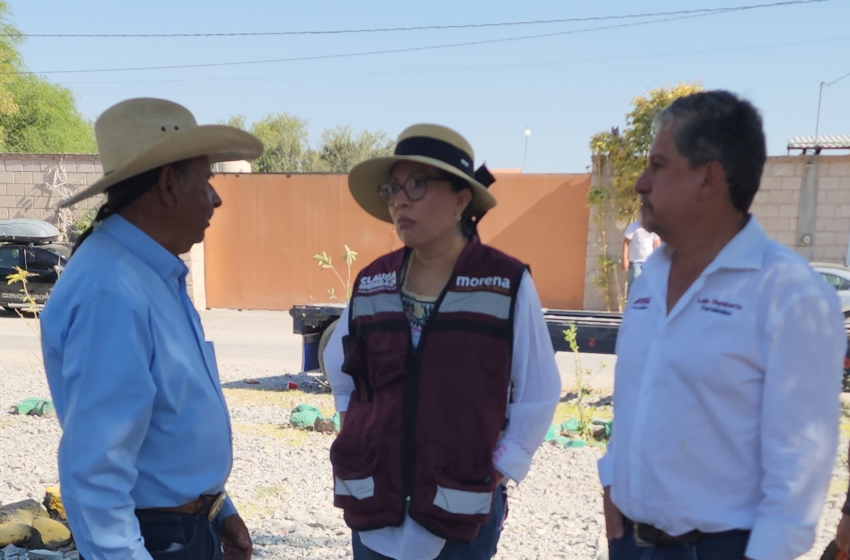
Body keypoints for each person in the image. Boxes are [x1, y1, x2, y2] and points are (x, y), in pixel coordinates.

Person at [598, 90, 845, 560]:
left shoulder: (788, 294)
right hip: (630, 543)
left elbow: (800, 469)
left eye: (658, 165)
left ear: (708, 178)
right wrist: (612, 481)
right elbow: (637, 394)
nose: (640, 183)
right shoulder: (650, 278)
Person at [322, 124, 561, 560]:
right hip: (375, 513)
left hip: (459, 521)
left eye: (417, 184)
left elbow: (538, 392)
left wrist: (496, 472)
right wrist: (357, 434)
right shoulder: (373, 282)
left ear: (461, 199)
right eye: (393, 188)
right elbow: (342, 370)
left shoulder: (505, 283)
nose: (399, 200)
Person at [40, 98, 263, 560]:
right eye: (206, 180)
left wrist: (217, 509)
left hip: (178, 529)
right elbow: (96, 473)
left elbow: (168, 426)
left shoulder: (147, 275)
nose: (216, 197)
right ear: (167, 184)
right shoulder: (113, 290)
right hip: (152, 539)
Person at [621, 220, 660, 296]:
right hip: (636, 262)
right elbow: (626, 242)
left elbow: (657, 245)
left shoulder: (653, 228)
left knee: (649, 285)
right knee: (635, 282)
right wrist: (625, 259)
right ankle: (631, 304)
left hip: (649, 262)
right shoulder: (633, 226)